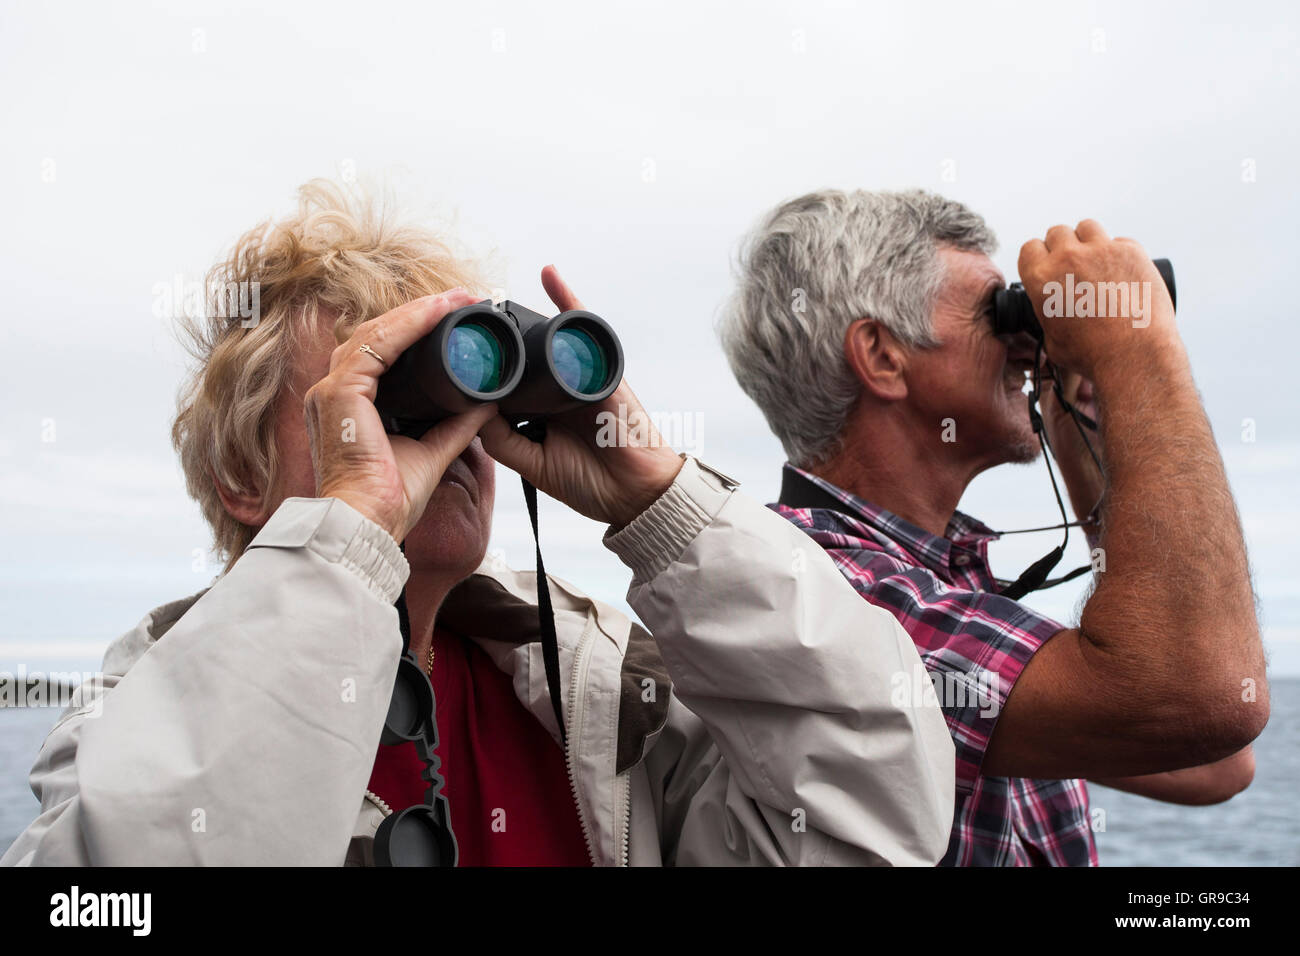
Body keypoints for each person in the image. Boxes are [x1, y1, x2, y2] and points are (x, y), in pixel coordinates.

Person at [2, 181, 955, 867]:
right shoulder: (129, 723)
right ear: (241, 477)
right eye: (386, 398)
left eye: (473, 384)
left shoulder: (593, 694)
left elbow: (876, 823)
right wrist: (345, 543)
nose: (451, 440)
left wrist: (667, 509)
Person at [719, 189, 1270, 866]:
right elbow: (1199, 696)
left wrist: (1082, 425)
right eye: (997, 311)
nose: (1024, 343)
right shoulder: (822, 589)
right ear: (884, 356)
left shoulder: (937, 579)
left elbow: (1215, 757)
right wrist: (1136, 349)